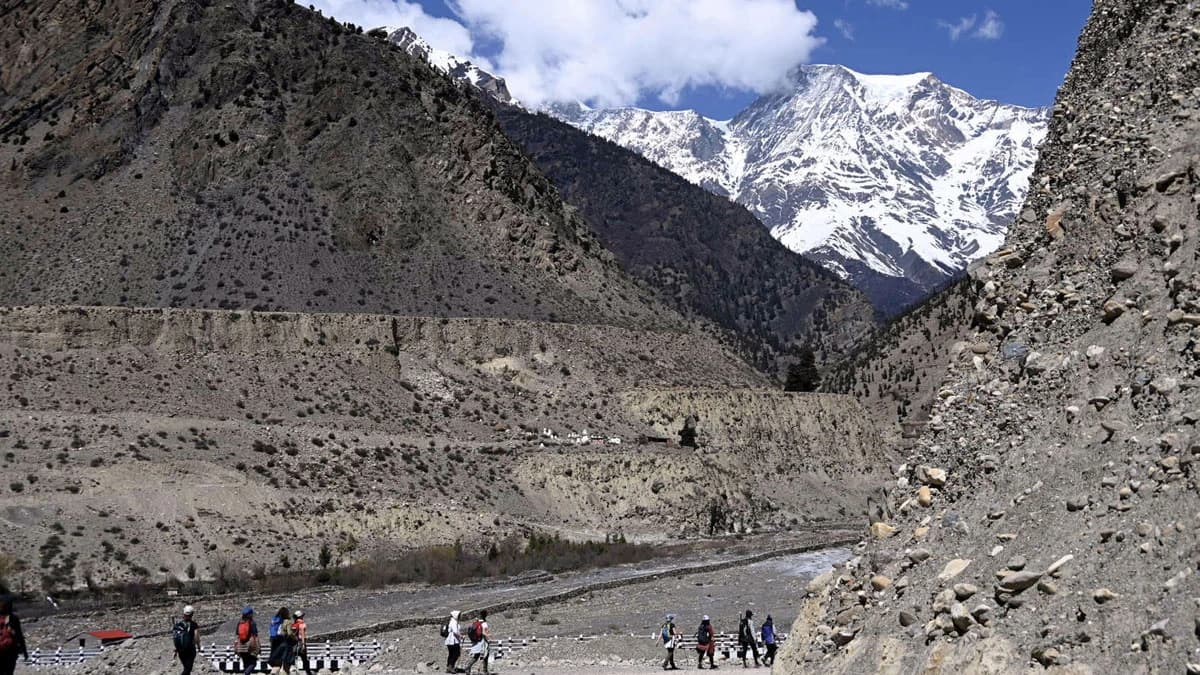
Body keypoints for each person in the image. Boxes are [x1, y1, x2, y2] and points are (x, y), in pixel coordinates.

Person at [0, 596, 29, 675]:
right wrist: (24, 651)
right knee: (8, 672)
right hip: (10, 650)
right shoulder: (12, 618)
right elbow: (19, 635)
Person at [172, 605, 201, 675]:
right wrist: (198, 646)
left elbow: (175, 637)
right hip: (190, 649)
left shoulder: (179, 625)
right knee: (188, 669)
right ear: (192, 614)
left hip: (181, 650)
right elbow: (196, 637)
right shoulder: (194, 624)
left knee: (186, 668)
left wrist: (176, 650)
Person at [268, 607, 296, 675]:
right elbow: (289, 633)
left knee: (276, 665)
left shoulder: (274, 621)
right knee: (286, 665)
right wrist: (295, 638)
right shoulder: (287, 621)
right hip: (285, 645)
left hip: (275, 645)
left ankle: (273, 673)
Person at [234, 606, 260, 675]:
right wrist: (258, 648)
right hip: (249, 646)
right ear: (250, 614)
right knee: (253, 663)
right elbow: (255, 635)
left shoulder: (240, 623)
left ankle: (246, 673)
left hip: (241, 646)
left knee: (246, 664)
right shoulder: (252, 623)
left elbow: (237, 634)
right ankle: (246, 673)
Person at [464, 610, 490, 675]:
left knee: (476, 656)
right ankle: (485, 671)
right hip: (482, 641)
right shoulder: (484, 623)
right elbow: (484, 632)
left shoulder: (476, 622)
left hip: (476, 641)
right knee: (486, 655)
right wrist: (489, 637)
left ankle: (468, 667)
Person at [293, 610, 312, 675]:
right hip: (301, 642)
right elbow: (302, 634)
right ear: (300, 616)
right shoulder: (302, 624)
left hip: (295, 643)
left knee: (294, 657)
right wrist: (303, 644)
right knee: (304, 659)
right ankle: (308, 672)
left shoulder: (294, 624)